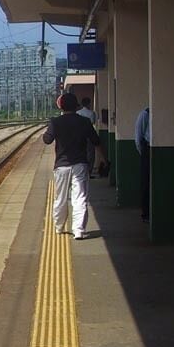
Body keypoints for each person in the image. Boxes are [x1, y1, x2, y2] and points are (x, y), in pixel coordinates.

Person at [43, 91, 105, 240]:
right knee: (80, 197)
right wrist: (102, 159)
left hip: (62, 166)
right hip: (80, 164)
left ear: (61, 107)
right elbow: (96, 141)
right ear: (76, 106)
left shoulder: (55, 122)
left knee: (61, 197)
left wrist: (48, 131)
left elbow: (47, 140)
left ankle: (58, 226)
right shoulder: (84, 122)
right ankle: (79, 230)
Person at [135, 106, 151, 222]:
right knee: (145, 183)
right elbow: (138, 137)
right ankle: (146, 213)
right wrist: (143, 153)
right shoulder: (145, 114)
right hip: (147, 149)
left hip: (150, 149)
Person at [77, 96, 98, 175]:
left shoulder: (78, 113)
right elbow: (92, 123)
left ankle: (81, 171)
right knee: (90, 154)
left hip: (79, 136)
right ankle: (89, 171)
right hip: (89, 136)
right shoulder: (91, 113)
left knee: (81, 153)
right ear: (89, 104)